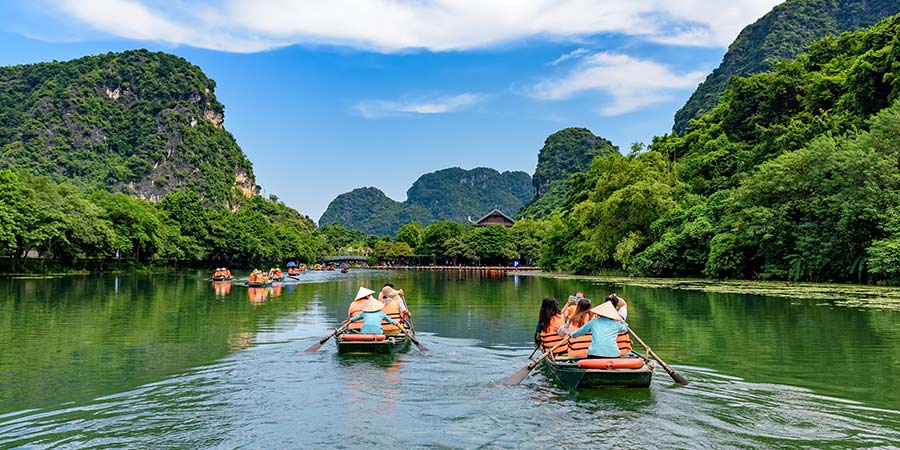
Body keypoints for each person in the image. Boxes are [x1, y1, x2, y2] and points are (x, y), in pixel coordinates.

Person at [559, 301, 627, 359]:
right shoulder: (617, 324)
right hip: (614, 355)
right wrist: (621, 320)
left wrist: (569, 333)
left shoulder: (593, 322)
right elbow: (625, 328)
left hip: (595, 355)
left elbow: (576, 334)